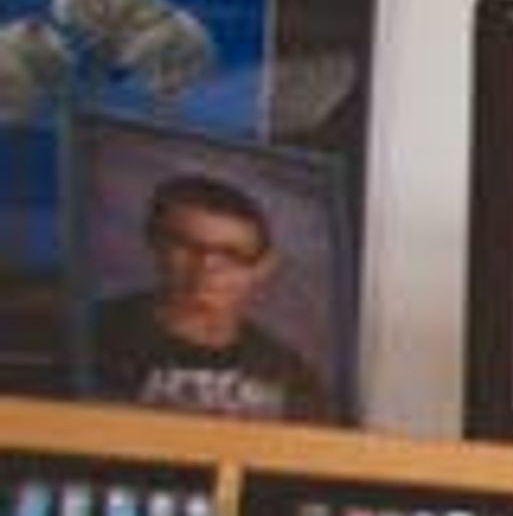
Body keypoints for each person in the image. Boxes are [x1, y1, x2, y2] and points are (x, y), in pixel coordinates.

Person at [86, 170, 332, 421]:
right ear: (153, 241)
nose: (207, 265)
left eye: (232, 253)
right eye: (187, 245)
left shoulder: (290, 375)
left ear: (264, 267)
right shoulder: (91, 336)